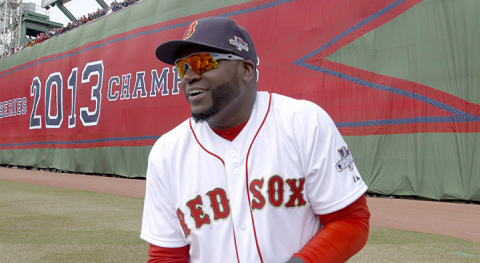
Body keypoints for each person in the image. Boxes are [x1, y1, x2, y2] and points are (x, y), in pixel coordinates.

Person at [140, 16, 370, 263]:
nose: (189, 77)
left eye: (202, 63)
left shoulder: (304, 122)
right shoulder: (167, 152)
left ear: (246, 70)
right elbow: (166, 255)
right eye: (182, 66)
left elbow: (350, 220)